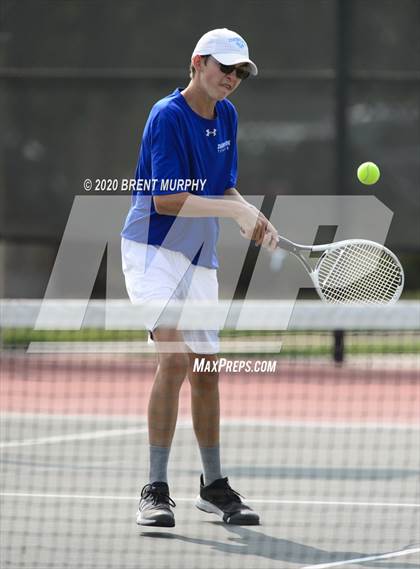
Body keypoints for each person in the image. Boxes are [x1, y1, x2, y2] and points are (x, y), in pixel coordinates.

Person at [121, 28, 278, 528]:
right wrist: (232, 214)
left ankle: (213, 487)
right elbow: (166, 200)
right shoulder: (166, 116)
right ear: (197, 63)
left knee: (206, 369)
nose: (231, 78)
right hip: (152, 251)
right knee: (173, 360)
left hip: (198, 255)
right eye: (224, 67)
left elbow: (222, 186)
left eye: (239, 72)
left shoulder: (227, 115)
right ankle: (156, 488)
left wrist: (249, 211)